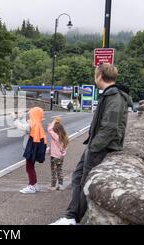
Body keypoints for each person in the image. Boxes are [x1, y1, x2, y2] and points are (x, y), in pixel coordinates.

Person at [51, 63, 132, 225]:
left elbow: (110, 128)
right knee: (78, 177)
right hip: (96, 145)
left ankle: (73, 218)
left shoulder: (114, 97)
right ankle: (71, 216)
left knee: (84, 181)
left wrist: (94, 147)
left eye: (96, 74)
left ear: (100, 76)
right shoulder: (110, 94)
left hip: (101, 148)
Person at [13, 107, 47, 194]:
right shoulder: (37, 123)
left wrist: (15, 118)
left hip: (32, 149)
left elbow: (21, 127)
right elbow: (27, 125)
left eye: (31, 114)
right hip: (35, 148)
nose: (29, 116)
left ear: (34, 115)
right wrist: (21, 117)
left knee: (29, 168)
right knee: (31, 167)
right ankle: (34, 184)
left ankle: (32, 186)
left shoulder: (33, 125)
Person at [47, 116, 69, 191]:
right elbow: (64, 148)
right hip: (61, 156)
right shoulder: (64, 137)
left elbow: (49, 129)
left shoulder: (56, 137)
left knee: (53, 171)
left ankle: (53, 186)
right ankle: (60, 185)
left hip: (54, 157)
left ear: (55, 130)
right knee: (59, 170)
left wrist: (54, 121)